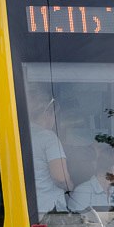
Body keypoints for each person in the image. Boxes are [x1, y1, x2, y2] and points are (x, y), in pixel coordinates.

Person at [27, 86, 73, 217]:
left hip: (28, 210)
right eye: (54, 114)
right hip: (49, 212)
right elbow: (60, 177)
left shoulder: (21, 135)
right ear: (47, 113)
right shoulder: (48, 137)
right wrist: (71, 187)